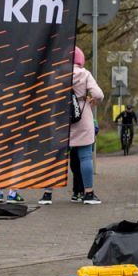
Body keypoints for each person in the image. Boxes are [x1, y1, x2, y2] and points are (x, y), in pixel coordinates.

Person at [40, 46, 104, 205]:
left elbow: (47, 94)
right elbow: (98, 94)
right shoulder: (85, 74)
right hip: (82, 118)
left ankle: (47, 194)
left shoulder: (55, 73)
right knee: (85, 156)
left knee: (55, 158)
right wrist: (92, 100)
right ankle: (88, 194)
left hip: (60, 118)